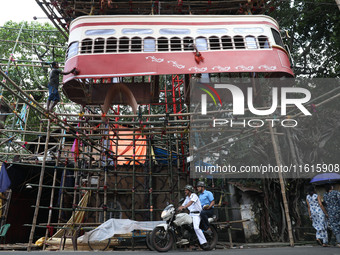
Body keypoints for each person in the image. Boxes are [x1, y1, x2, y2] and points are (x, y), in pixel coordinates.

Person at [178, 184, 209, 250]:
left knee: (196, 228)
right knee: (183, 224)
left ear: (190, 191)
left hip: (197, 215)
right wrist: (178, 208)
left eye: (186, 190)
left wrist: (184, 207)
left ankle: (204, 242)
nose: (185, 191)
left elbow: (190, 203)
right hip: (191, 214)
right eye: (185, 190)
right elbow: (183, 205)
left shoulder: (194, 196)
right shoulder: (187, 198)